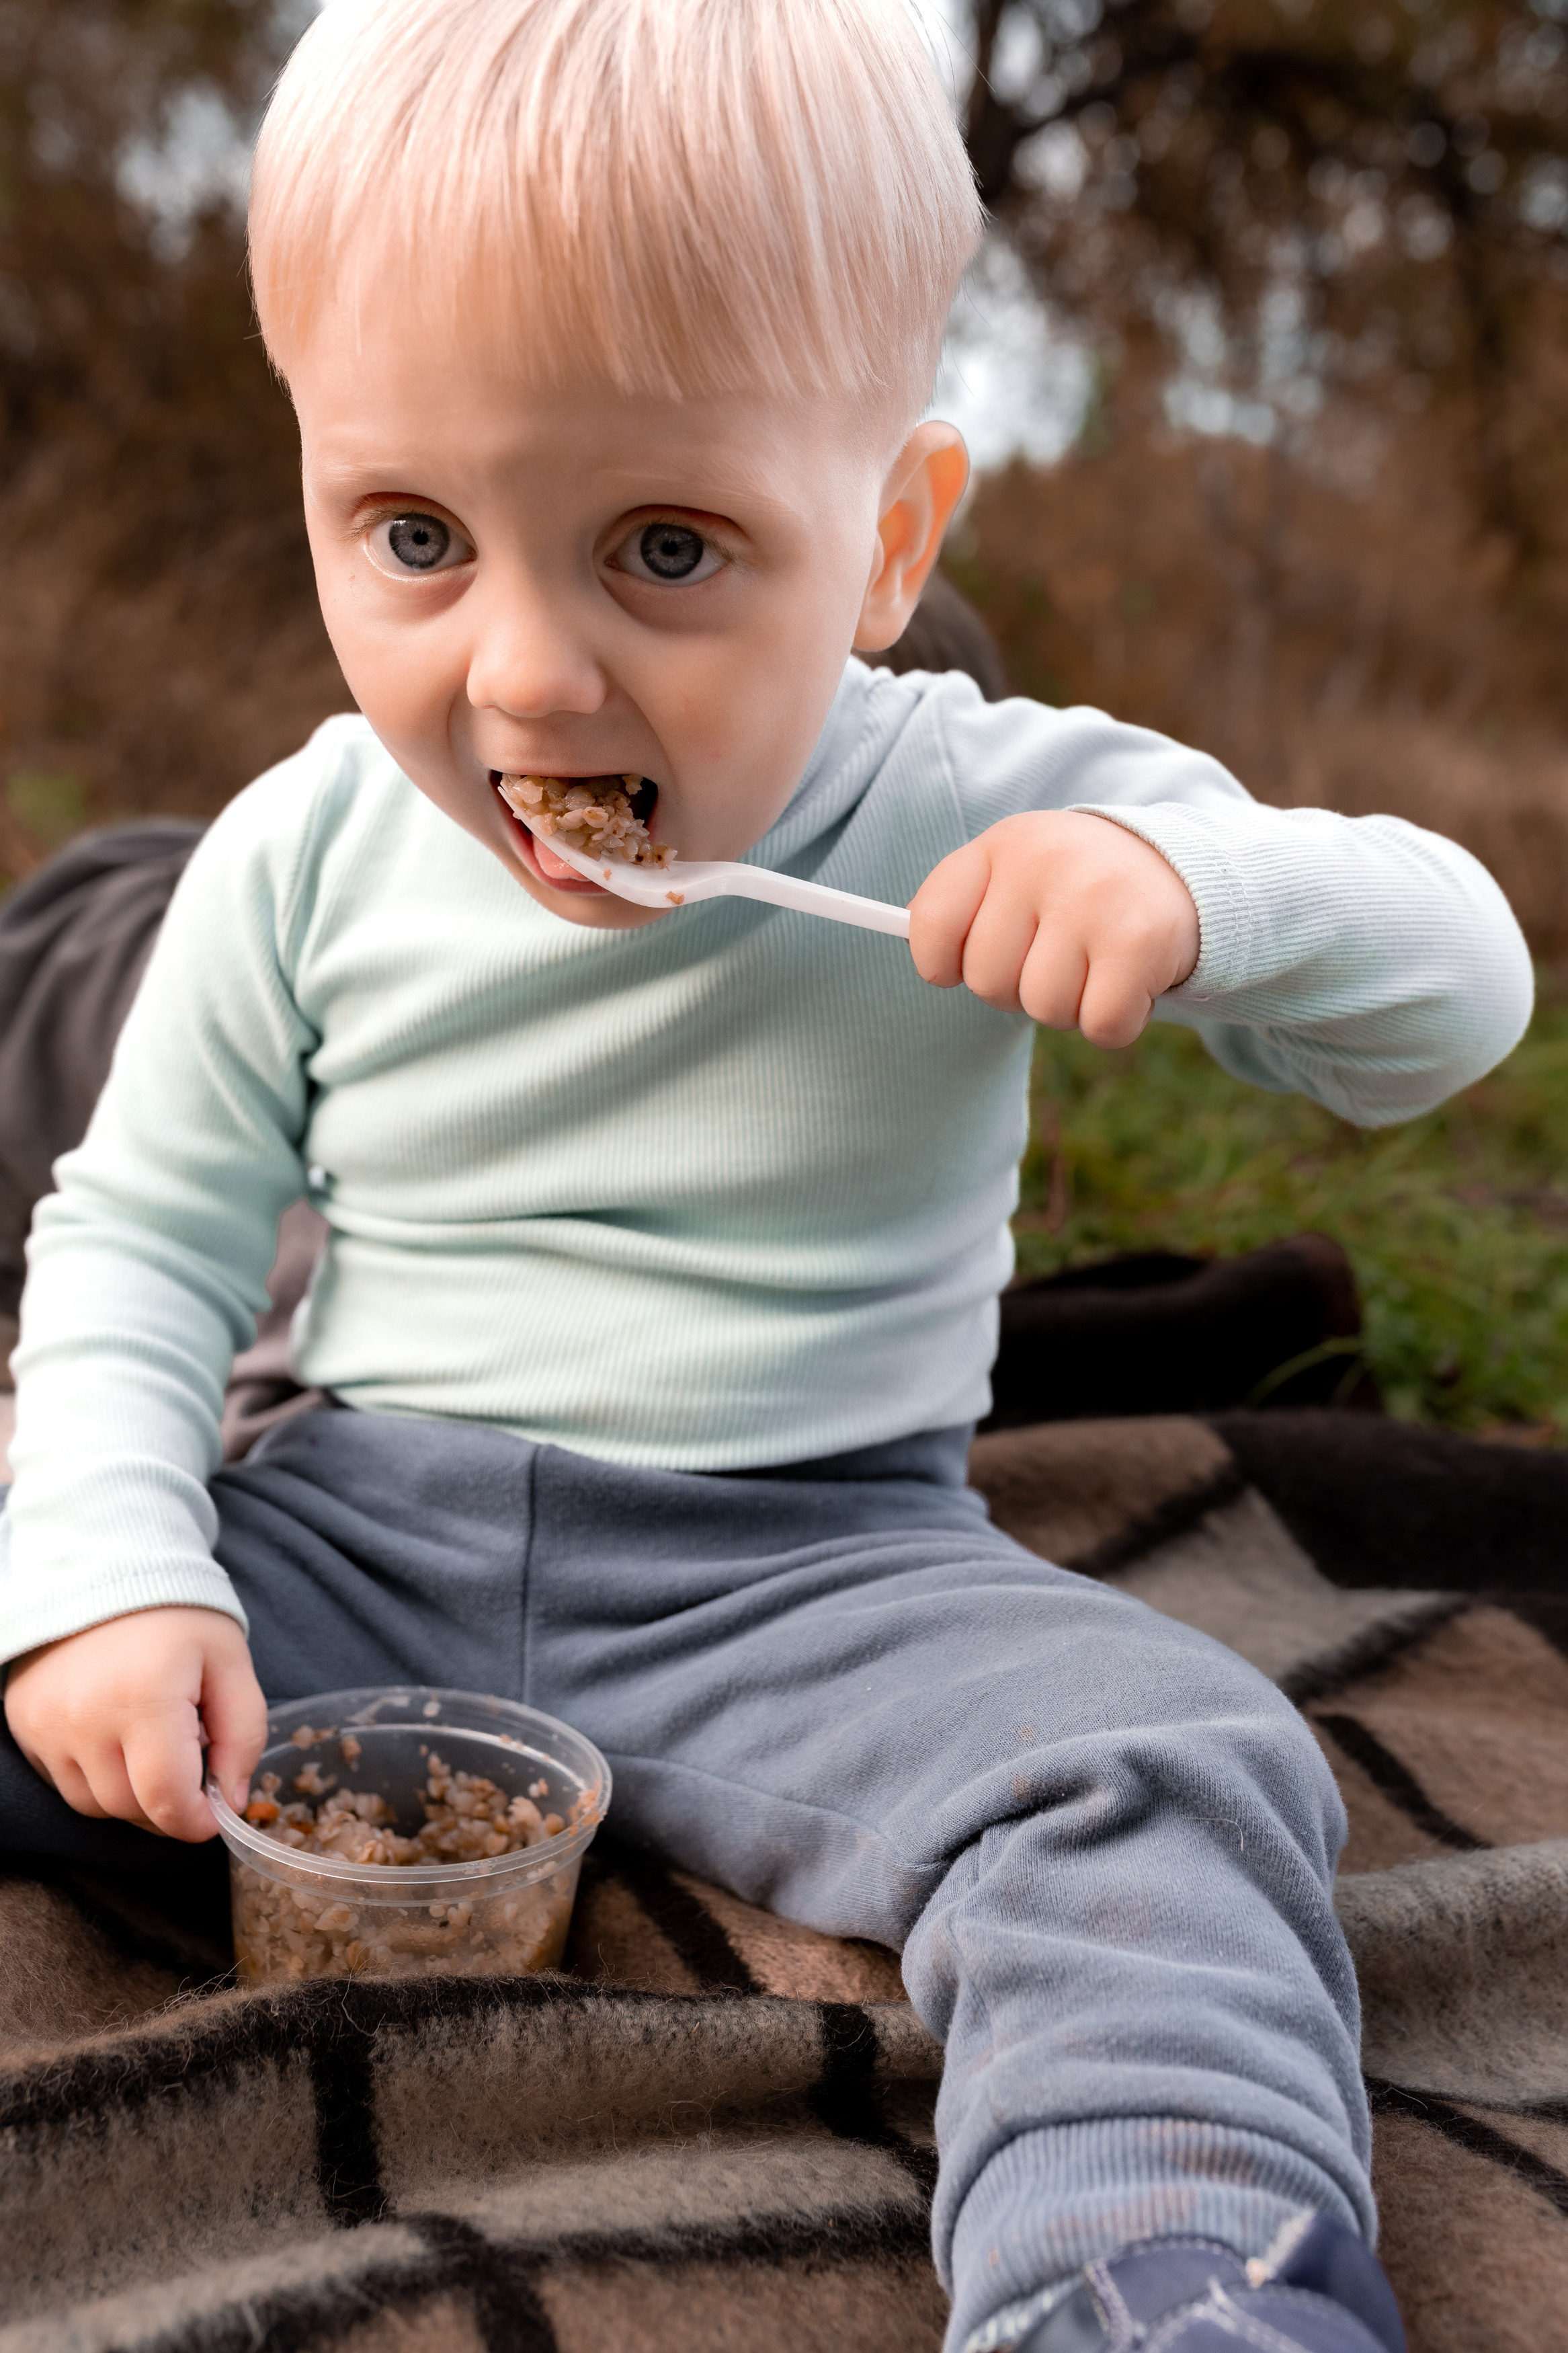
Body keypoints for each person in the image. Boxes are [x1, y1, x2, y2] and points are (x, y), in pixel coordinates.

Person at [0, 4, 1532, 2348]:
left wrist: (1191, 888)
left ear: (891, 536)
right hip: (345, 1530)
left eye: (668, 548)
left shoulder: (981, 796)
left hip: (818, 1571)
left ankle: (1163, 2283)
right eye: (411, 534)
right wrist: (111, 1572)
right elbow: (138, 1246)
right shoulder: (301, 849)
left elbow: (1461, 991)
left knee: (1179, 1762)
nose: (523, 674)